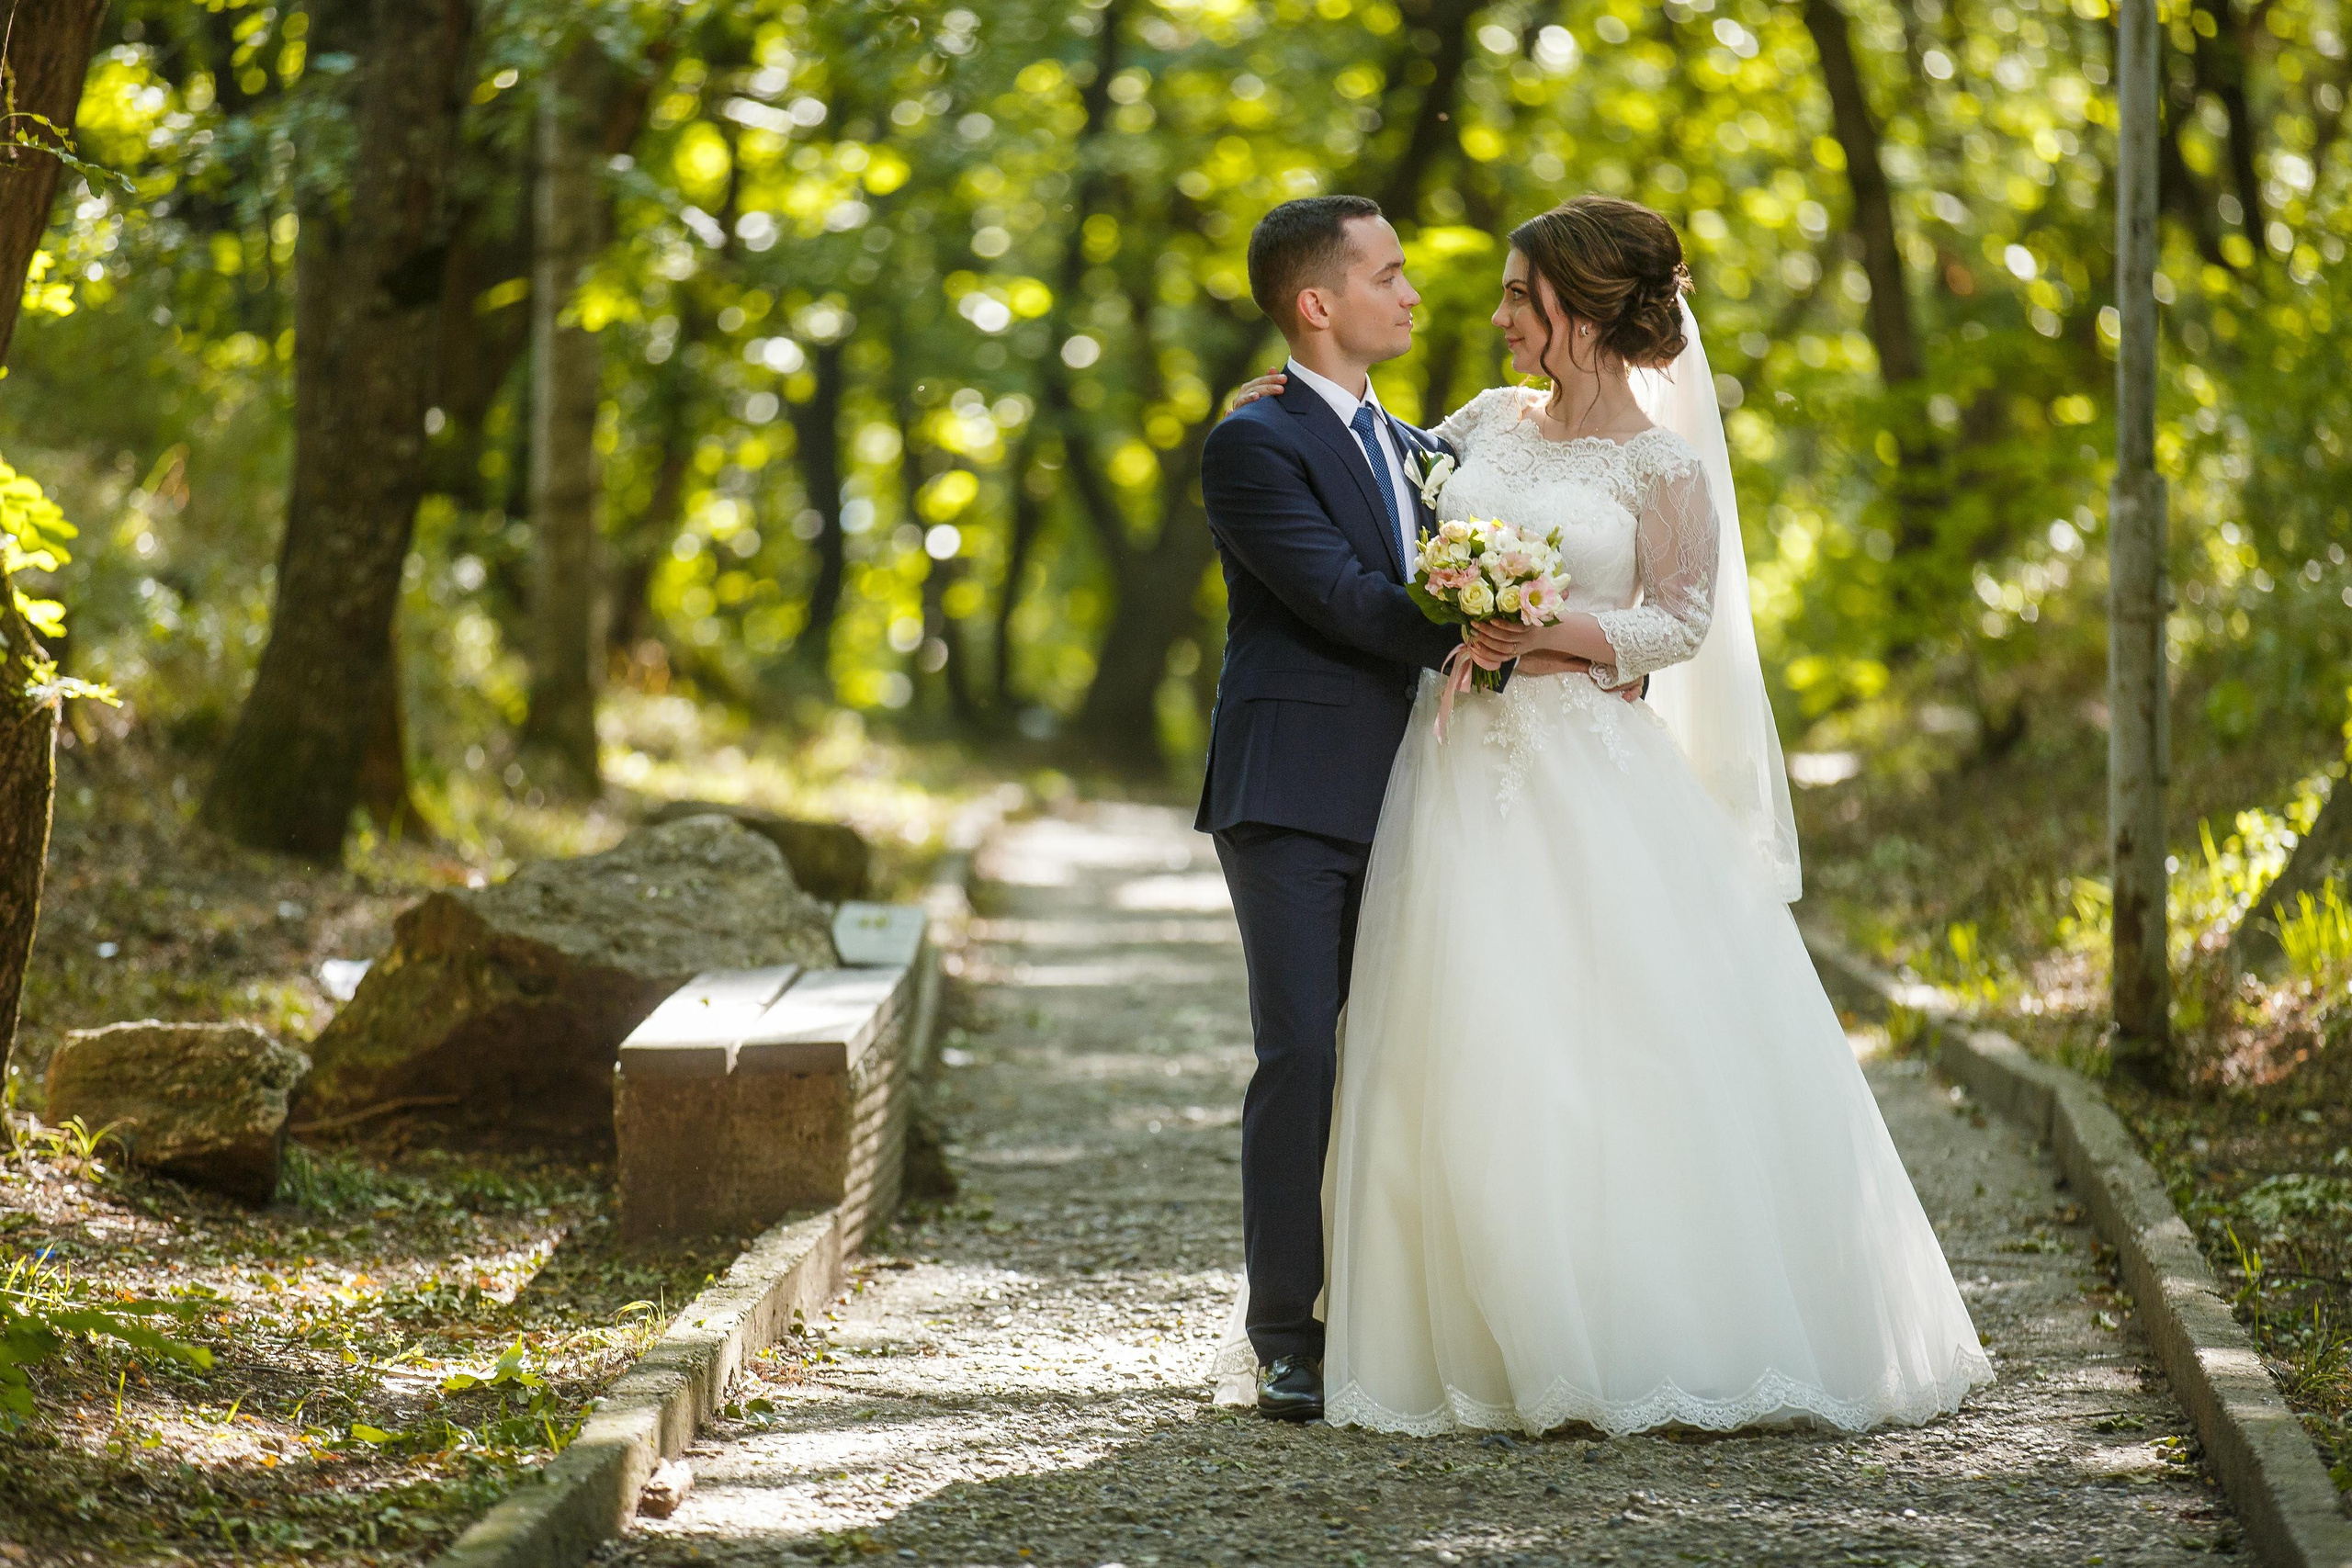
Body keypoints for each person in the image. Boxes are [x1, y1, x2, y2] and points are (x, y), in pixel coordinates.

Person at [1210, 195, 1993, 1437]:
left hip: (1587, 764)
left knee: (1612, 1031)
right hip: (1451, 771)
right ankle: (1383, 1328)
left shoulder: (1663, 465)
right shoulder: (1478, 424)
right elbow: (1370, 483)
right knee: (1444, 1036)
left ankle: (1631, 1316)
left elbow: (1678, 622)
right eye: (1407, 278)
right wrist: (1292, 396)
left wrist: (1548, 633)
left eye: (1517, 296)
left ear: (1575, 309)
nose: (1491, 315)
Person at [1196, 195, 1626, 1424]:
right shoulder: (1254, 444)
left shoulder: (1421, 444)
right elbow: (1340, 594)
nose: (1414, 295)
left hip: (1428, 784)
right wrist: (1491, 629)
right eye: (1386, 276)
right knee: (1305, 1052)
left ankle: (1417, 1316)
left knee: (1422, 1054)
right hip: (1295, 791)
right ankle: (1287, 1332)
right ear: (1316, 304)